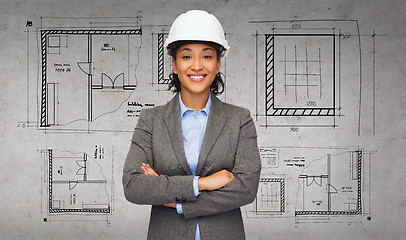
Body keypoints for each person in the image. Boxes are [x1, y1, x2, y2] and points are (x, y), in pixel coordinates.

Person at [123, 10, 261, 240]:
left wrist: (176, 202)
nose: (197, 66)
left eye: (206, 56)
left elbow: (246, 189)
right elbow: (133, 186)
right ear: (175, 65)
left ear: (217, 64)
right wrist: (203, 183)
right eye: (187, 56)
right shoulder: (151, 120)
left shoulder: (239, 119)